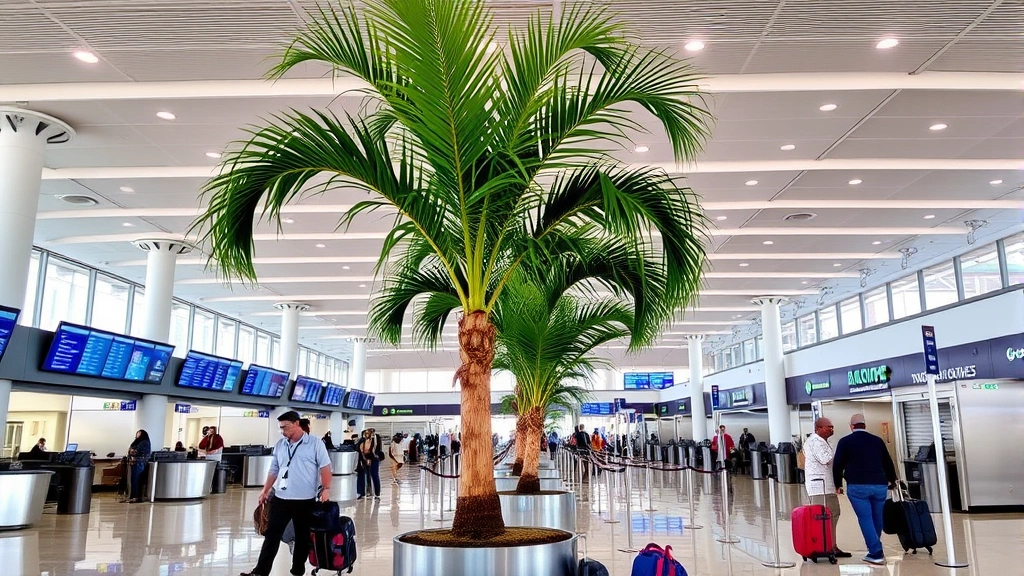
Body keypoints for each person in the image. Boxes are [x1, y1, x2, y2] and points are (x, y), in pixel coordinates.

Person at [240, 411, 331, 576]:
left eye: (285, 427)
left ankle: (297, 570)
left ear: (296, 424)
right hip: (281, 499)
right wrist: (265, 490)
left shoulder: (315, 443)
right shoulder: (281, 445)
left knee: (302, 537)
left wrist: (326, 488)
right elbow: (274, 469)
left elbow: (325, 468)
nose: (282, 431)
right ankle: (260, 572)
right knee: (271, 535)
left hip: (304, 500)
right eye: (280, 428)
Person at [832, 413, 897, 566]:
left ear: (851, 426)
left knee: (865, 518)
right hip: (880, 485)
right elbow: (887, 461)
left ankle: (876, 552)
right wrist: (892, 480)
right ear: (865, 426)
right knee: (877, 517)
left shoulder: (845, 441)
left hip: (857, 486)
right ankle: (874, 548)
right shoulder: (877, 441)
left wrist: (838, 484)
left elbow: (838, 464)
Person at [803, 418, 851, 558]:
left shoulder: (820, 442)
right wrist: (842, 454)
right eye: (827, 427)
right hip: (820, 488)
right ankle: (826, 546)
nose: (831, 429)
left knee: (832, 514)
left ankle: (830, 545)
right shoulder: (816, 442)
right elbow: (826, 459)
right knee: (825, 516)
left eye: (832, 426)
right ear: (817, 428)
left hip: (825, 486)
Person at [127, 430, 151, 503]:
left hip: (139, 463)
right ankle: (134, 496)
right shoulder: (138, 442)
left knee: (136, 480)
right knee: (134, 480)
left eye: (139, 433)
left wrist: (131, 451)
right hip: (135, 463)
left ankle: (136, 497)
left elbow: (136, 451)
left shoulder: (144, 442)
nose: (137, 435)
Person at [357, 430, 382, 500]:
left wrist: (372, 458)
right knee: (361, 476)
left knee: (374, 475)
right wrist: (363, 460)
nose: (367, 435)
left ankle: (377, 494)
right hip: (364, 460)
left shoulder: (375, 440)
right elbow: (360, 451)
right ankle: (362, 493)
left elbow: (376, 450)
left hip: (373, 460)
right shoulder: (362, 441)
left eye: (368, 433)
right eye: (366, 433)